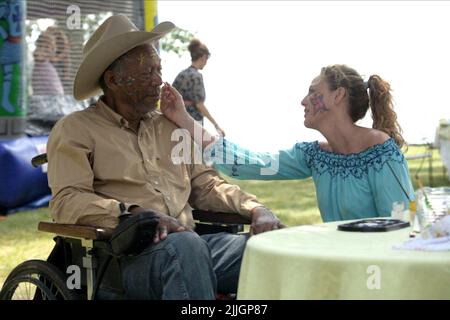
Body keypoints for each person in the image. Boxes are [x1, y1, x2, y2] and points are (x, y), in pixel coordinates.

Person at [46, 15, 283, 300]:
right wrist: (136, 215)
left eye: (159, 69)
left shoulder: (169, 126)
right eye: (148, 73)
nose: (160, 81)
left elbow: (206, 185)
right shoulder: (77, 129)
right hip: (124, 261)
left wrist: (256, 209)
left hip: (194, 247)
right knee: (185, 247)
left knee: (276, 247)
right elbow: (67, 201)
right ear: (113, 79)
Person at [161, 64, 415, 222]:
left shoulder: (381, 152)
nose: (303, 101)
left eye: (313, 91)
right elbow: (248, 164)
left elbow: (403, 222)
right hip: (338, 265)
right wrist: (184, 119)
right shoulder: (314, 155)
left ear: (338, 96)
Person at [172, 39, 225, 136]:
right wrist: (216, 125)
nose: (206, 63)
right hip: (192, 124)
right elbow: (199, 105)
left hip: (176, 123)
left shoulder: (181, 75)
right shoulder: (196, 76)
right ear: (203, 57)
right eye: (206, 60)